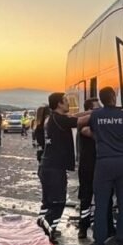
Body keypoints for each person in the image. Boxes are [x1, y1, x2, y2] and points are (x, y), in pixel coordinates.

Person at [84, 87, 123, 245]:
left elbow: (92, 132)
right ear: (113, 97)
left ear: (102, 99)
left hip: (104, 162)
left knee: (101, 204)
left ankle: (99, 243)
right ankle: (122, 244)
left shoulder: (96, 115)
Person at [39, 93, 91, 229]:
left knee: (47, 203)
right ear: (59, 104)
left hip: (47, 166)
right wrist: (103, 113)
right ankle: (47, 232)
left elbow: (74, 116)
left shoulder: (54, 118)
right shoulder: (59, 120)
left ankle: (40, 229)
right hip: (55, 169)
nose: (68, 103)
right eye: (66, 101)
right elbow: (79, 121)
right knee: (58, 203)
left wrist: (91, 111)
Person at [76, 98, 100, 240]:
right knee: (86, 197)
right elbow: (93, 134)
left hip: (99, 165)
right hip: (87, 166)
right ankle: (83, 227)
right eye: (97, 109)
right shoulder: (84, 126)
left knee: (103, 197)